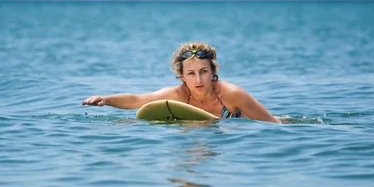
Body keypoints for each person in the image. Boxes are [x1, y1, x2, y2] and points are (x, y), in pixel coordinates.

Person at [82, 41, 280, 123]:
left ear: (213, 72)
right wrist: (105, 99)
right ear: (182, 76)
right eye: (191, 73)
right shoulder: (176, 96)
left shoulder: (232, 94)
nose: (199, 79)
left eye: (203, 71)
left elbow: (272, 124)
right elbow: (137, 100)